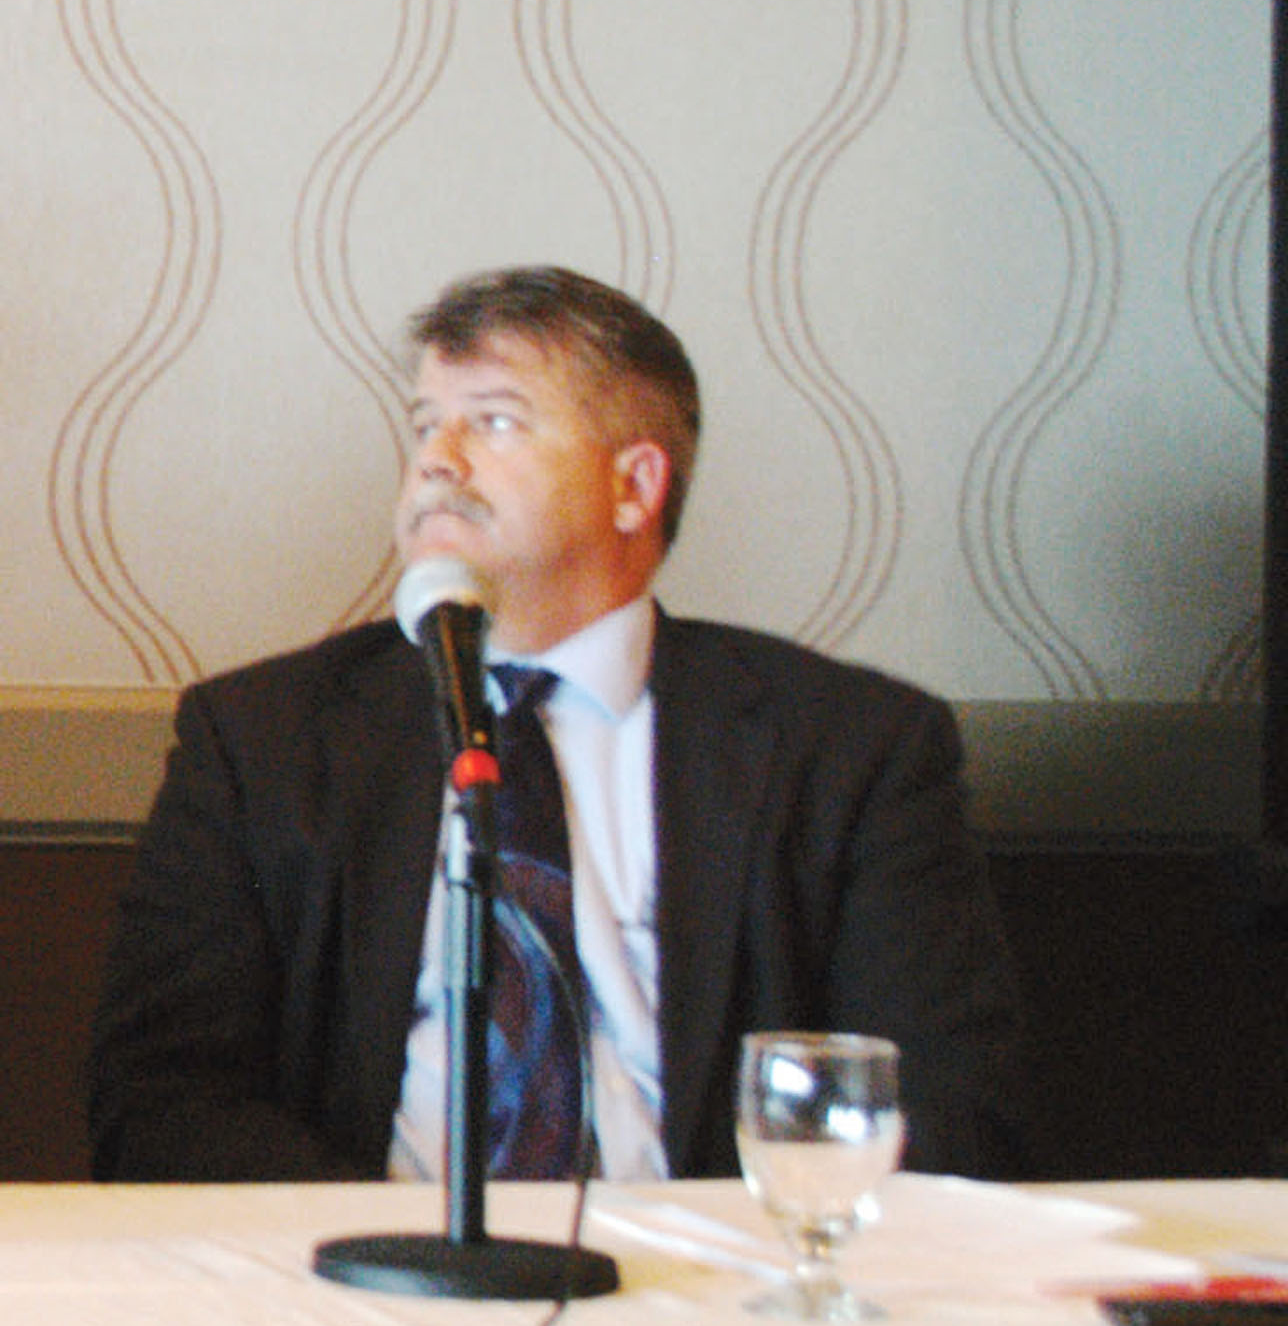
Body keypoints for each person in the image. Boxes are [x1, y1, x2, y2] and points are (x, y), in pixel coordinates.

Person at [85, 266, 1028, 1184]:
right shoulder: (262, 739)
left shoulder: (851, 750)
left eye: (494, 420)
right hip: (358, 1264)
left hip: (705, 1266)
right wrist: (384, 1249)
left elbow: (948, 1109)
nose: (437, 459)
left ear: (635, 486)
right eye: (426, 423)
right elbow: (160, 1102)